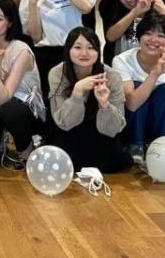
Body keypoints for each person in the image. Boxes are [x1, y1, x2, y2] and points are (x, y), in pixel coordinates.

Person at [111, 12, 165, 165]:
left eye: (161, 36)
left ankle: (158, 144)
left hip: (160, 123)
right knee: (135, 87)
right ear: (139, 37)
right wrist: (154, 74)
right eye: (148, 33)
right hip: (131, 126)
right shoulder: (122, 60)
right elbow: (131, 104)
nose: (153, 40)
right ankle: (136, 144)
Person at [44, 27, 131, 173]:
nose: (84, 53)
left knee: (115, 160)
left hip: (101, 136)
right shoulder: (57, 73)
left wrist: (104, 105)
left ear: (98, 51)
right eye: (77, 47)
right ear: (68, 50)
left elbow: (114, 129)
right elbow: (64, 123)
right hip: (68, 134)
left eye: (91, 48)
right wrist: (77, 93)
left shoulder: (111, 76)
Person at [0, 0, 45, 170]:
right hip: (0, 102)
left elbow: (6, 97)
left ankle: (26, 150)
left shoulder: (21, 50)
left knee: (10, 110)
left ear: (10, 22)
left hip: (26, 108)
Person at [20, 0, 97, 105]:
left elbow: (86, 7)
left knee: (77, 98)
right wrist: (34, 2)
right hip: (45, 54)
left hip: (74, 52)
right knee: (52, 100)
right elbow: (35, 36)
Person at [98, 0, 165, 65]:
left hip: (151, 66)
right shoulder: (118, 11)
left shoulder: (158, 10)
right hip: (123, 66)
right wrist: (135, 12)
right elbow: (110, 37)